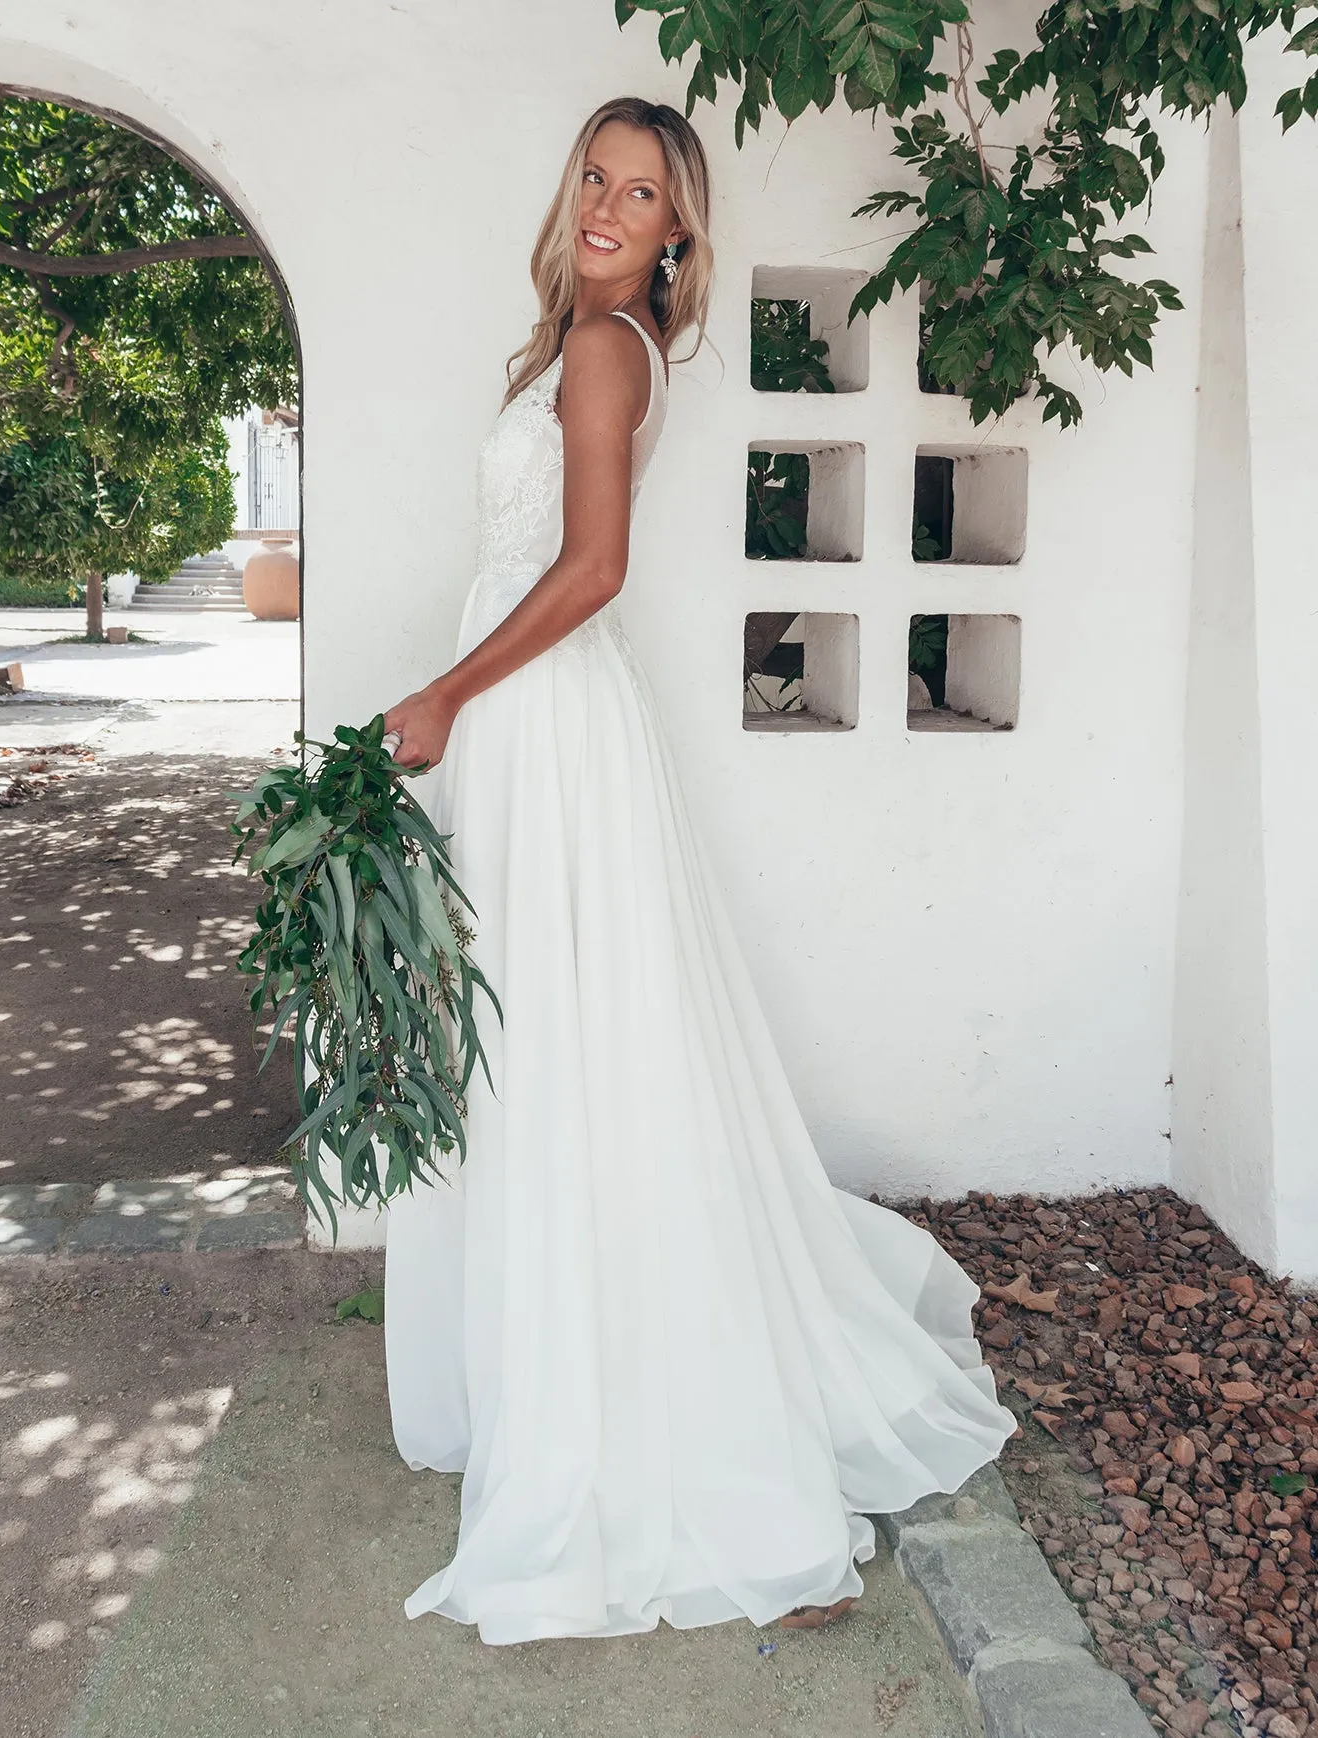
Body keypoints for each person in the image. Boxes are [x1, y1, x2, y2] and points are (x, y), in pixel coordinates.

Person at [379, 96, 1018, 1647]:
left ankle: (684, 1438)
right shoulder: (566, 338)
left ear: (680, 230)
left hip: (544, 720)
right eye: (593, 177)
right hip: (531, 733)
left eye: (641, 191)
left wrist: (449, 693)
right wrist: (464, 705)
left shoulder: (606, 351)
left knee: (578, 1056)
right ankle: (569, 1359)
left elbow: (592, 571)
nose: (606, 204)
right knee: (554, 1053)